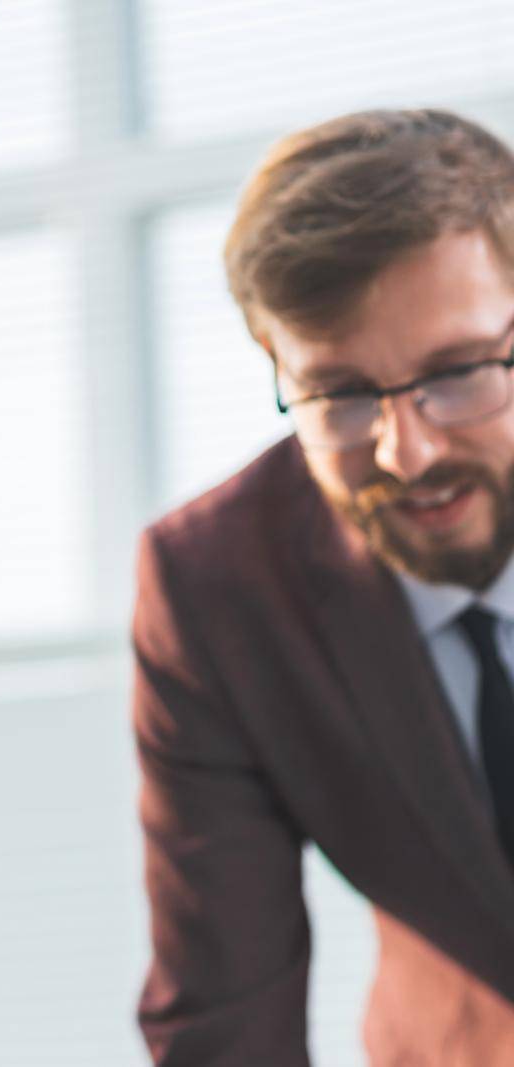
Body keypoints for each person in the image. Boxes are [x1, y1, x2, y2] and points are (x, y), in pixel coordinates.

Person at [135, 109, 514, 1064]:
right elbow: (224, 1017)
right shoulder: (216, 589)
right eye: (341, 394)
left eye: (459, 371)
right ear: (276, 370)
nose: (408, 451)